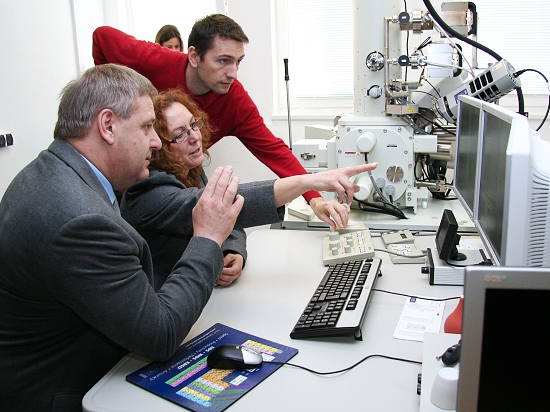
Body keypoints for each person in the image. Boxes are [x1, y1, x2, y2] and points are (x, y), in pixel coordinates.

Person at [0, 64, 374, 411]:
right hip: (69, 390)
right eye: (147, 128)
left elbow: (220, 215)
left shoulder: (53, 174)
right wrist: (208, 239)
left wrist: (226, 238)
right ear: (108, 126)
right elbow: (160, 336)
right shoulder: (80, 219)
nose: (156, 142)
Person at [92, 14, 349, 228]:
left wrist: (315, 199)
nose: (233, 73)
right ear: (194, 56)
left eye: (238, 62)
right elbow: (102, 36)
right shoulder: (155, 60)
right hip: (135, 189)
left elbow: (274, 149)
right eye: (223, 61)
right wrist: (117, 107)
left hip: (182, 188)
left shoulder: (234, 100)